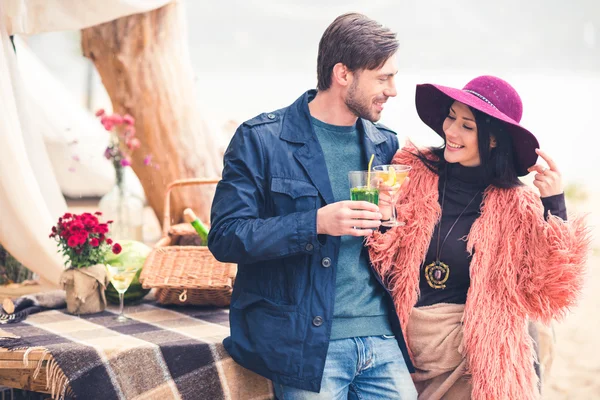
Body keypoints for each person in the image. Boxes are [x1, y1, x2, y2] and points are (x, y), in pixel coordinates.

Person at [208, 12, 418, 400]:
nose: (393, 90)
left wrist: (392, 220)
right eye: (383, 78)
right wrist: (315, 222)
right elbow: (225, 237)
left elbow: (394, 248)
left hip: (383, 337)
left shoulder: (386, 144)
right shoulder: (262, 140)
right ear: (343, 74)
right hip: (307, 343)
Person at [367, 75, 590, 399]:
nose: (451, 131)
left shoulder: (516, 203)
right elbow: (380, 260)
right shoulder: (411, 171)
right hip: (404, 355)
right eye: (451, 117)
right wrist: (382, 214)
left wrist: (553, 205)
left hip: (477, 359)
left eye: (467, 126)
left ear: (494, 139)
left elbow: (549, 291)